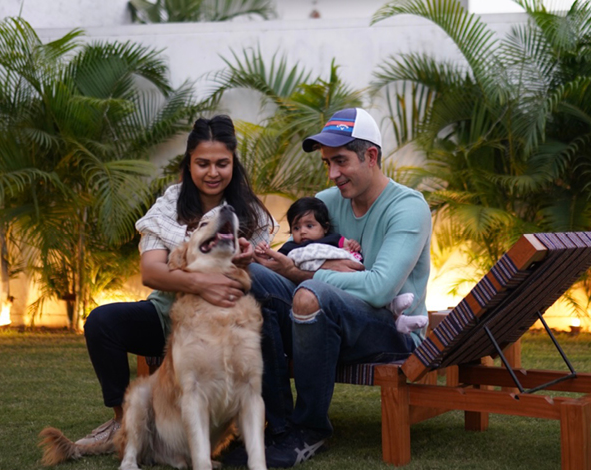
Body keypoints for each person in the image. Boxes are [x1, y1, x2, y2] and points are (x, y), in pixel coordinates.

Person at [240, 107, 432, 468]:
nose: (332, 174)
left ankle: (310, 428)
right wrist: (263, 258)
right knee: (250, 274)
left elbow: (378, 290)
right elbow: (289, 260)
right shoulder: (327, 202)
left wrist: (307, 275)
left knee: (313, 294)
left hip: (391, 332)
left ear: (370, 156)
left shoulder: (408, 208)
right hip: (322, 324)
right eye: (327, 163)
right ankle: (277, 425)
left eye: (340, 161)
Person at [78, 115, 277, 450]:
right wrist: (200, 284)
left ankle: (270, 425)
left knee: (269, 315)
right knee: (102, 322)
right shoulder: (169, 205)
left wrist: (248, 262)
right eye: (202, 163)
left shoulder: (250, 211)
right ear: (189, 165)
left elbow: (265, 271)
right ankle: (119, 420)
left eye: (222, 164)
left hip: (230, 322)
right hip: (172, 317)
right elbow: (151, 271)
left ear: (233, 164)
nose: (212, 173)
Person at [262, 196, 427, 335]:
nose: (303, 231)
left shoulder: (332, 239)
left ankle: (396, 311)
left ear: (325, 227)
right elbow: (278, 261)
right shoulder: (293, 247)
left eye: (309, 226)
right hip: (327, 293)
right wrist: (264, 252)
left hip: (349, 282)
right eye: (296, 228)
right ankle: (396, 314)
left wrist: (352, 246)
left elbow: (348, 246)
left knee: (362, 289)